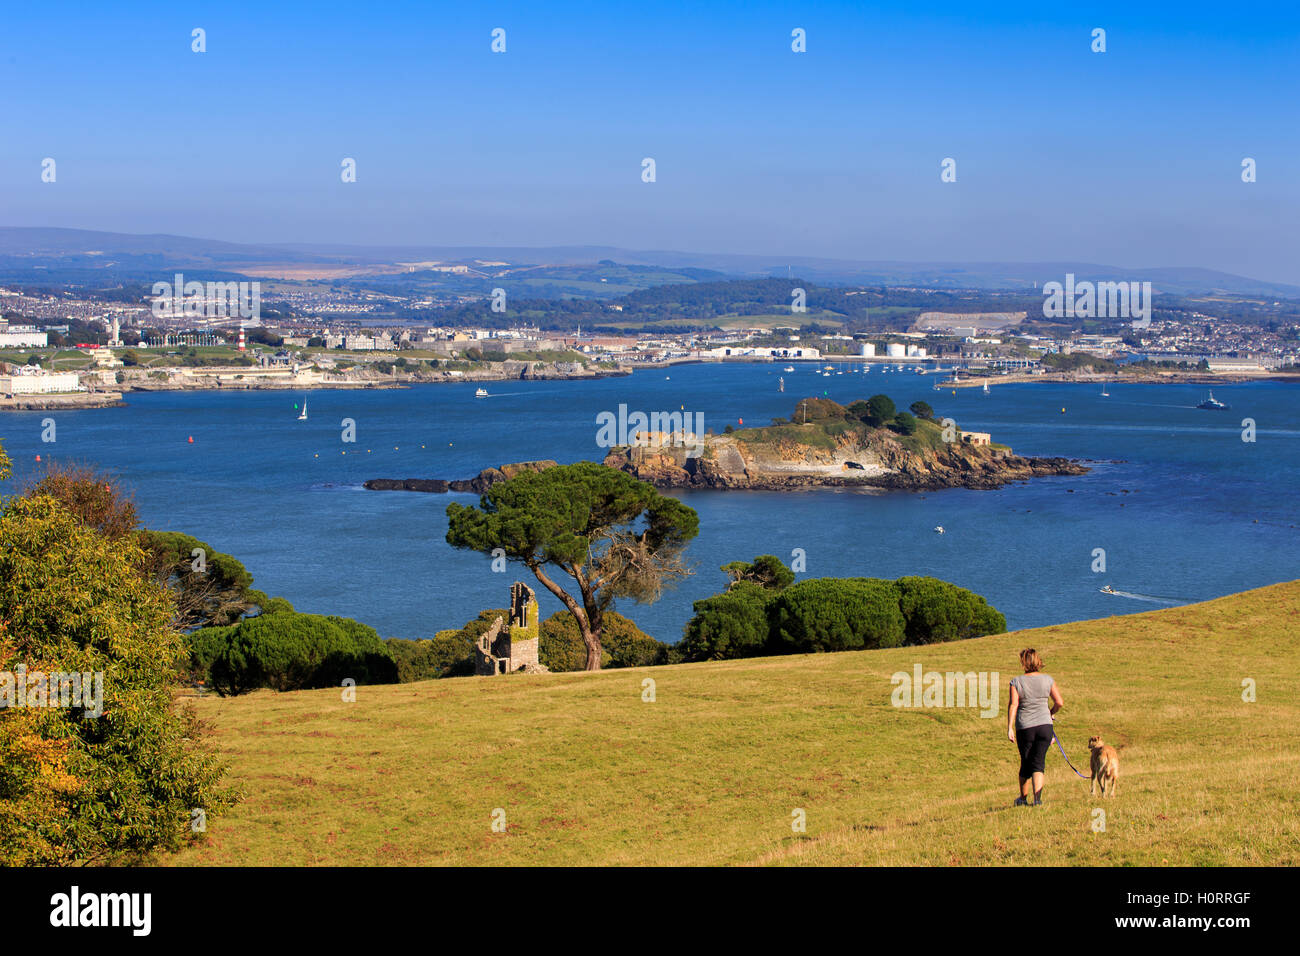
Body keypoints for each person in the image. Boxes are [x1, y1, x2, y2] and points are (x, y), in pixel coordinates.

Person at [1007, 648, 1063, 806]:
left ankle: (1023, 799)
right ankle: (1037, 800)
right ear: (1038, 661)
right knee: (1039, 763)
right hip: (1045, 726)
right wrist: (1050, 713)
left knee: (1026, 763)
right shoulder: (1048, 679)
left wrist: (1009, 727)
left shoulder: (1016, 682)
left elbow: (1014, 705)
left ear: (1023, 662)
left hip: (1025, 727)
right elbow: (1059, 702)